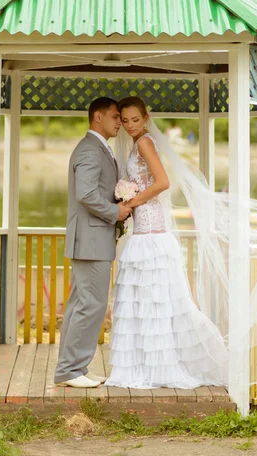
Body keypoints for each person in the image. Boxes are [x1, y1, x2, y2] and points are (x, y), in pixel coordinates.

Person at [105, 96, 227, 389]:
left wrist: (131, 200)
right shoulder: (138, 144)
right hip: (145, 229)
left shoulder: (145, 143)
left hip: (152, 230)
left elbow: (162, 182)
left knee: (154, 300)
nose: (130, 125)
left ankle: (159, 367)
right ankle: (146, 363)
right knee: (147, 301)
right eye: (125, 120)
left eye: (136, 120)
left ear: (146, 119)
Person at [54, 97, 132, 389]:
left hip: (92, 239)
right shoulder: (89, 149)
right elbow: (86, 194)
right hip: (90, 240)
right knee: (92, 305)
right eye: (114, 117)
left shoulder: (99, 148)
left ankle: (71, 369)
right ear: (98, 117)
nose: (118, 122)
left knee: (81, 305)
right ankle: (71, 370)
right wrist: (117, 211)